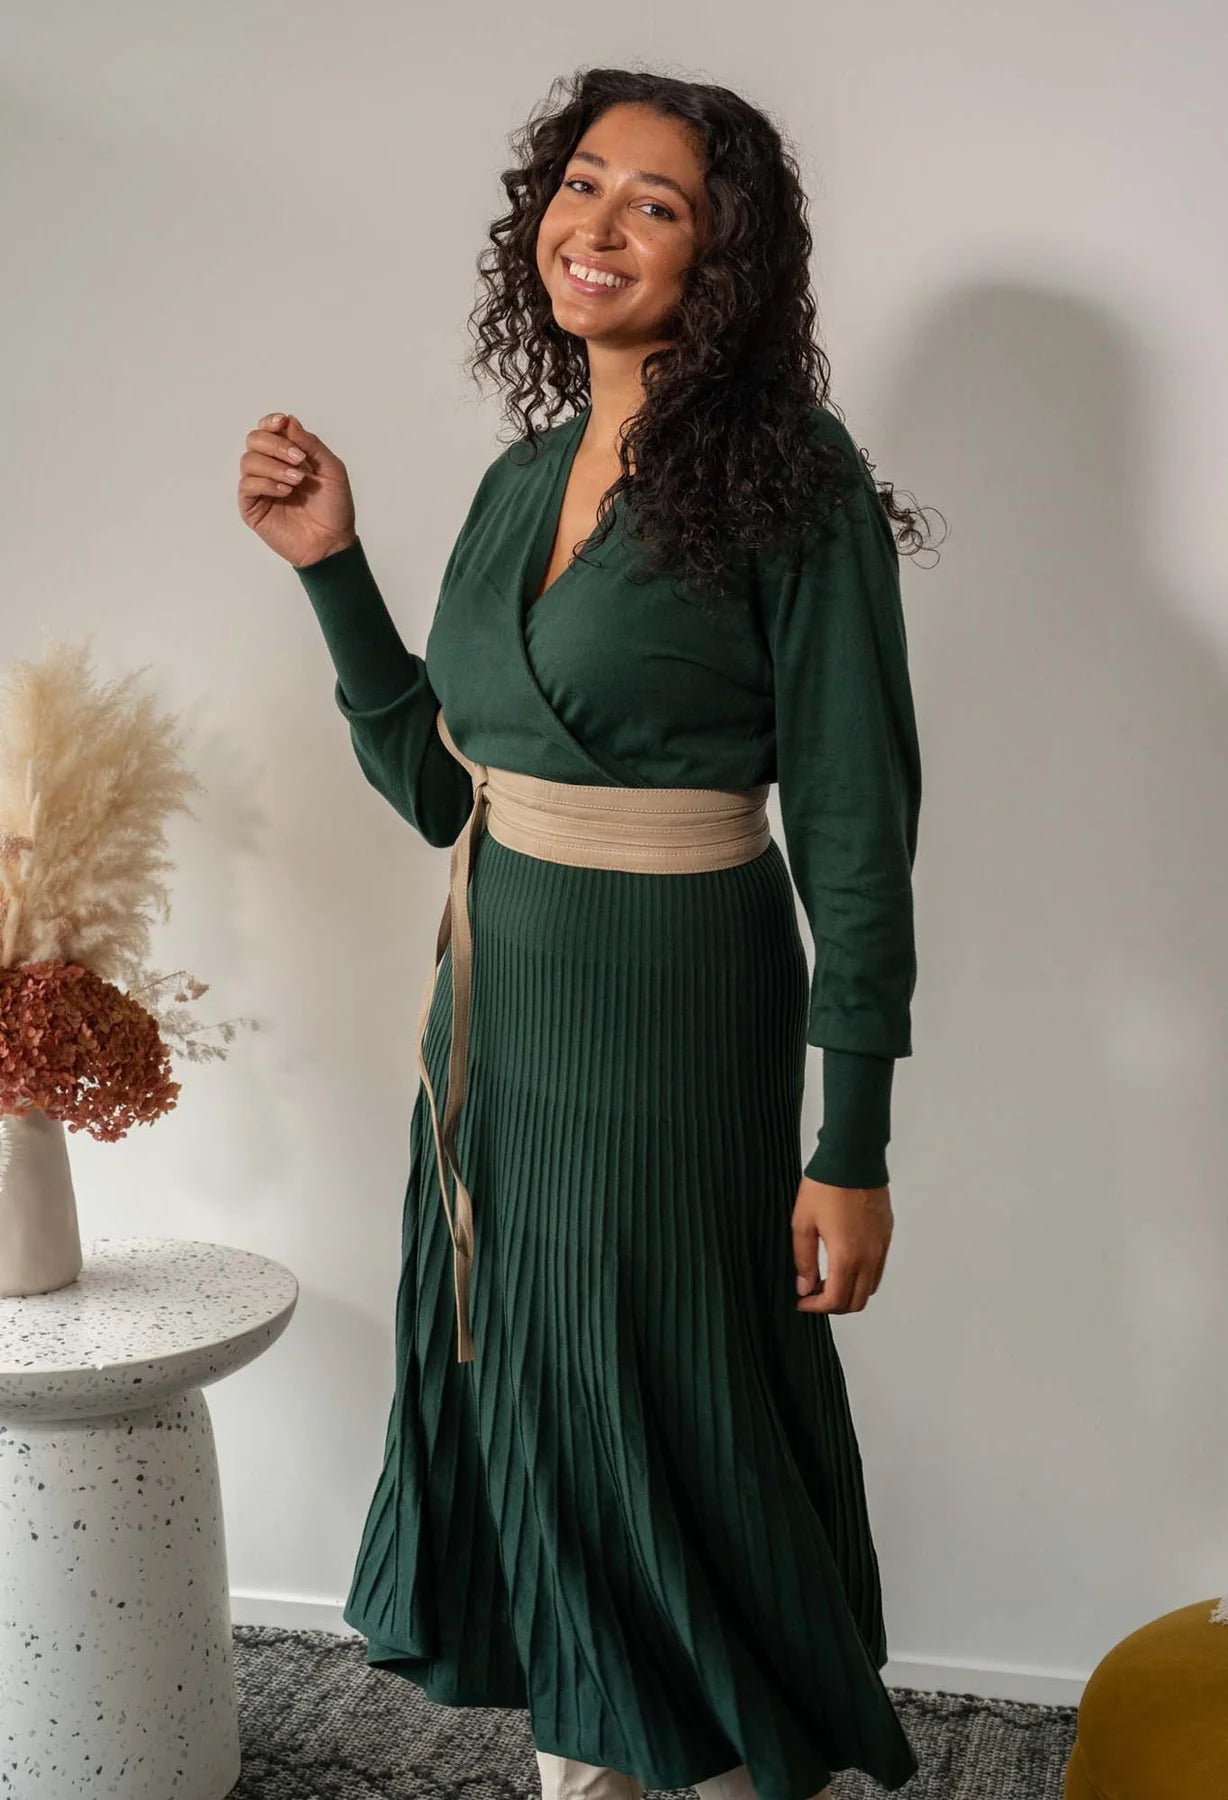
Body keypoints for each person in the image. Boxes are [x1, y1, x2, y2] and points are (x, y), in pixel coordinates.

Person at [237, 68, 929, 1800]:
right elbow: (439, 786)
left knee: (662, 1402)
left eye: (657, 202)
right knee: (531, 1394)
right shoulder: (521, 477)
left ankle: (712, 1760)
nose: (598, 223)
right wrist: (331, 565)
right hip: (497, 1017)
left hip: (673, 1009)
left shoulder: (796, 481)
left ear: (723, 257)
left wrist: (851, 1142)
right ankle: (590, 1769)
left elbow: (857, 829)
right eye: (582, 181)